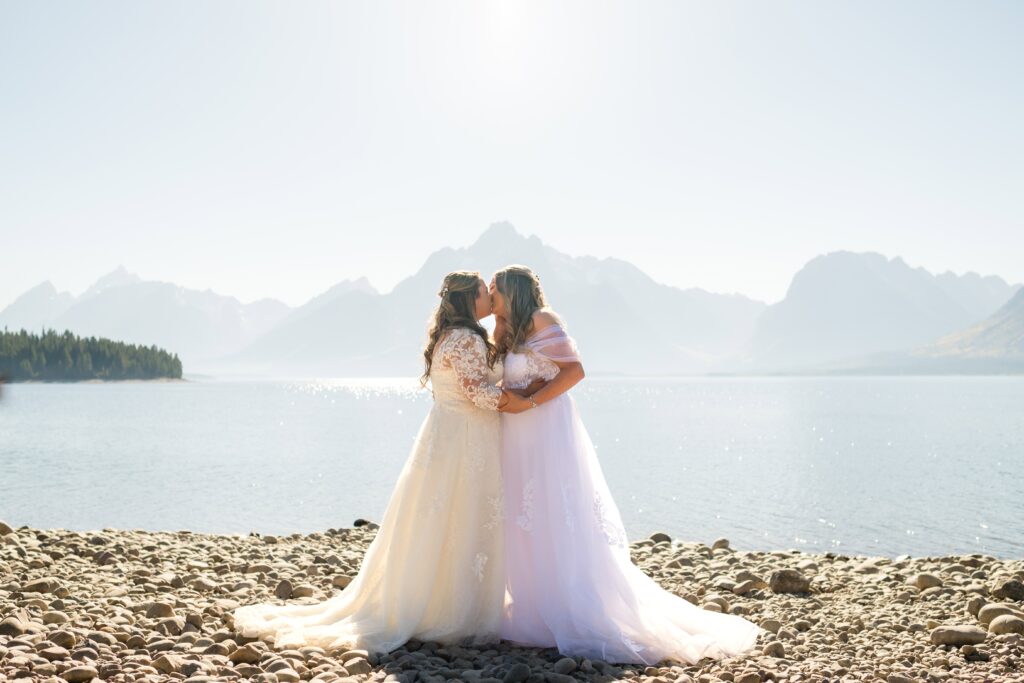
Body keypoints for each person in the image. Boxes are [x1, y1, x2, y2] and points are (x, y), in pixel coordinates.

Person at [230, 270, 530, 652]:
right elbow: (480, 394)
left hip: (449, 438)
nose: (491, 296)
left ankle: (443, 597)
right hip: (464, 442)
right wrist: (529, 401)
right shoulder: (467, 339)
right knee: (461, 516)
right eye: (484, 292)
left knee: (444, 519)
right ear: (471, 301)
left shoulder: (452, 337)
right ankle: (454, 610)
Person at [490, 264, 765, 665]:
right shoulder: (505, 329)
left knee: (552, 512)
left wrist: (530, 399)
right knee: (521, 515)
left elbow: (576, 370)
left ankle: (569, 604)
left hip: (545, 429)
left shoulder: (541, 319)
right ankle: (530, 602)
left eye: (495, 290)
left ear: (513, 291)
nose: (490, 295)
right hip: (515, 437)